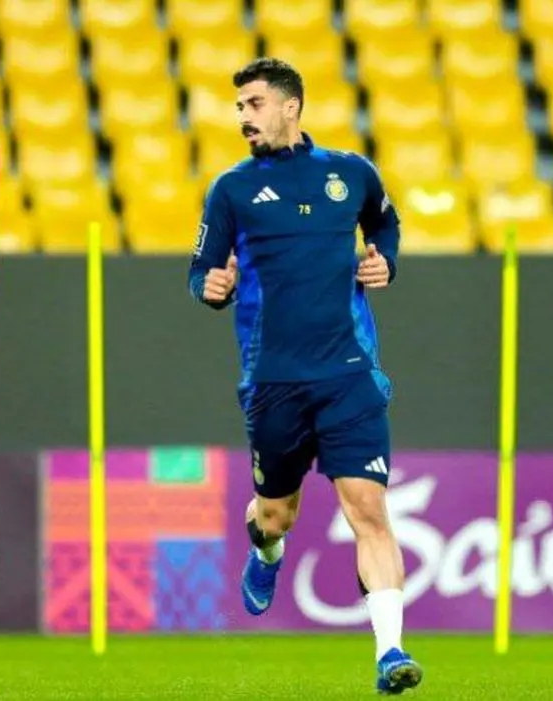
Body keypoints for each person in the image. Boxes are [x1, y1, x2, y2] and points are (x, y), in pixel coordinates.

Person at [187, 58, 421, 695]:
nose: (243, 117)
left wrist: (385, 259)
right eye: (240, 107)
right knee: (275, 515)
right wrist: (210, 286)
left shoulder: (351, 173)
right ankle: (265, 552)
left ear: (290, 107)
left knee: (368, 509)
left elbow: (386, 222)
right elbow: (202, 267)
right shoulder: (231, 190)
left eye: (254, 104)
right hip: (274, 382)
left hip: (349, 375)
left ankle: (391, 652)